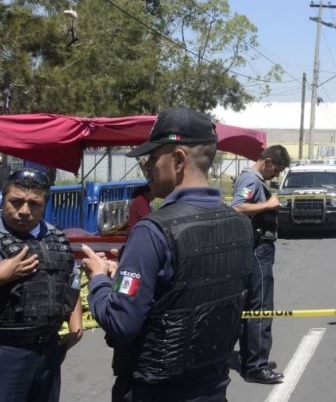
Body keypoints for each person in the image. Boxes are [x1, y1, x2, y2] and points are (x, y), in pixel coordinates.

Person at [80, 107, 254, 402]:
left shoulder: (152, 231)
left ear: (178, 159)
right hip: (213, 387)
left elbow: (122, 322)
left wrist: (98, 279)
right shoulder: (240, 224)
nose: (147, 167)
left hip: (154, 390)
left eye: (151, 158)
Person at [0, 168, 82, 402]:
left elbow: (70, 278)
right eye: (15, 202)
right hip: (6, 349)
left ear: (44, 205)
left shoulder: (55, 237)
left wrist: (75, 321)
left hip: (48, 349)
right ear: (3, 199)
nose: (24, 211)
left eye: (34, 204)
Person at [231, 144, 290, 384]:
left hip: (259, 249)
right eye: (275, 171)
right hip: (257, 250)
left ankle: (254, 358)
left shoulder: (253, 180)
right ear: (266, 162)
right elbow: (237, 207)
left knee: (255, 307)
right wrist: (267, 205)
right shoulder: (252, 180)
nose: (275, 176)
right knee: (261, 308)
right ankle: (256, 366)